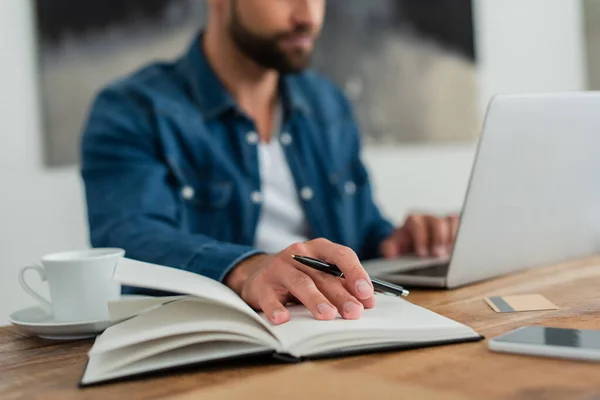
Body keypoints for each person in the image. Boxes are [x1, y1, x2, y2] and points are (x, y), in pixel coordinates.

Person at [81, 0, 459, 325]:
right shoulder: (131, 110)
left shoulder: (328, 103)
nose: (307, 16)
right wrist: (247, 267)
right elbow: (130, 238)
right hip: (208, 345)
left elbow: (361, 229)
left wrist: (398, 242)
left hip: (333, 332)